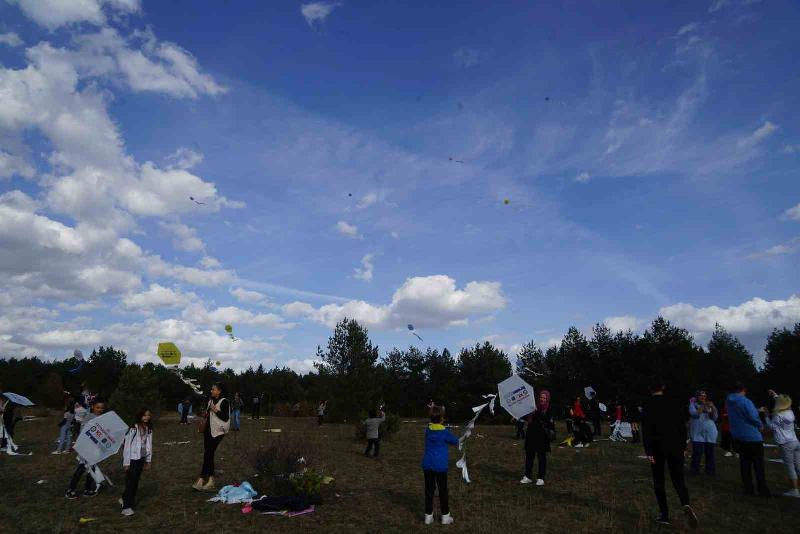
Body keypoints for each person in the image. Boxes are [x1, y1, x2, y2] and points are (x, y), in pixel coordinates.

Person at [642, 382, 698, 529]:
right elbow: (681, 425)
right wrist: (683, 445)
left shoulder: (648, 404)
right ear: (663, 387)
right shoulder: (673, 402)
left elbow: (646, 429)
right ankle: (685, 503)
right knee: (678, 478)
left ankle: (664, 514)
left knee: (659, 480)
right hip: (675, 445)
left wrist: (648, 451)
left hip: (657, 447)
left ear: (650, 388)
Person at [727, 382, 770, 497]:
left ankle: (748, 488)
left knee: (745, 464)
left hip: (738, 436)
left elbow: (742, 412)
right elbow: (752, 416)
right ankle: (762, 490)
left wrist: (757, 409)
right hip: (752, 437)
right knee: (758, 465)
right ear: (744, 390)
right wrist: (760, 424)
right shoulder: (746, 401)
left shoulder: (729, 401)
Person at [422, 405, 458, 525]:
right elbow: (455, 441)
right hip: (440, 466)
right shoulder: (444, 432)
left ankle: (428, 517)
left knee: (429, 491)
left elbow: (433, 426)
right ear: (442, 418)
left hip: (428, 464)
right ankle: (445, 517)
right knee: (443, 491)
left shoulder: (427, 430)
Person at [65, 398, 107, 499]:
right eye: (97, 407)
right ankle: (70, 490)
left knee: (92, 469)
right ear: (92, 407)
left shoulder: (102, 418)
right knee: (82, 468)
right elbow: (83, 433)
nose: (100, 410)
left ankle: (87, 490)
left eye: (102, 408)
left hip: (96, 449)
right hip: (86, 448)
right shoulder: (89, 417)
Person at [193, 383, 230, 491]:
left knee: (208, 454)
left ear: (219, 391)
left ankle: (203, 478)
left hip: (218, 432)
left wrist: (215, 410)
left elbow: (226, 417)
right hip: (208, 431)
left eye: (213, 389)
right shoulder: (210, 401)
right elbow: (209, 415)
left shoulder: (224, 401)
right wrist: (204, 414)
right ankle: (209, 479)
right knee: (208, 454)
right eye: (211, 389)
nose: (211, 391)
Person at [763, 390, 800, 498]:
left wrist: (766, 416)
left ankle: (794, 490)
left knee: (790, 467)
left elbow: (771, 427)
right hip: (795, 442)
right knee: (798, 466)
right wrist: (775, 395)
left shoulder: (778, 415)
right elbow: (784, 402)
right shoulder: (790, 412)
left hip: (786, 444)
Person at [120, 409, 153, 516]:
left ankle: (126, 499)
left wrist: (148, 460)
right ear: (139, 416)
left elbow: (149, 445)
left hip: (141, 458)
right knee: (131, 482)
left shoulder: (148, 429)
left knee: (135, 481)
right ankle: (126, 507)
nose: (146, 417)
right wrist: (126, 462)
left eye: (148, 415)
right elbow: (127, 446)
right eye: (144, 415)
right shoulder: (133, 429)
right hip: (132, 459)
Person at [521, 390, 555, 486]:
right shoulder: (533, 407)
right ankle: (527, 476)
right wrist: (519, 415)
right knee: (529, 456)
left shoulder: (549, 409)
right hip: (531, 434)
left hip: (542, 436)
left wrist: (537, 412)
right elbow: (527, 418)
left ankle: (541, 478)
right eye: (541, 397)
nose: (542, 399)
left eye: (544, 398)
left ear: (547, 399)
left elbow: (549, 422)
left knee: (541, 457)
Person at [689, 391, 718, 476]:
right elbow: (694, 414)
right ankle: (694, 471)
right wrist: (702, 406)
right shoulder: (693, 405)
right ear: (697, 397)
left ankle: (710, 472)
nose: (703, 397)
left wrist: (713, 407)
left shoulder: (710, 405)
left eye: (704, 396)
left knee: (710, 453)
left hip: (710, 433)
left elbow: (715, 417)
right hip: (697, 433)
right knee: (697, 453)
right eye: (701, 396)